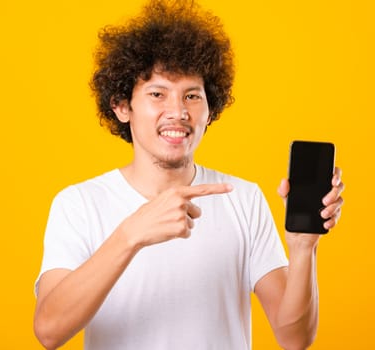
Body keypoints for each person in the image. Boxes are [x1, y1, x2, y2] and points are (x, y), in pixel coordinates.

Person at [33, 1, 344, 349]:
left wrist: (303, 249)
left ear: (210, 110)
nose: (178, 112)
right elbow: (49, 330)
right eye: (157, 94)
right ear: (122, 107)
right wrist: (131, 235)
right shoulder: (78, 204)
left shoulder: (243, 198)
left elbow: (295, 338)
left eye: (192, 96)